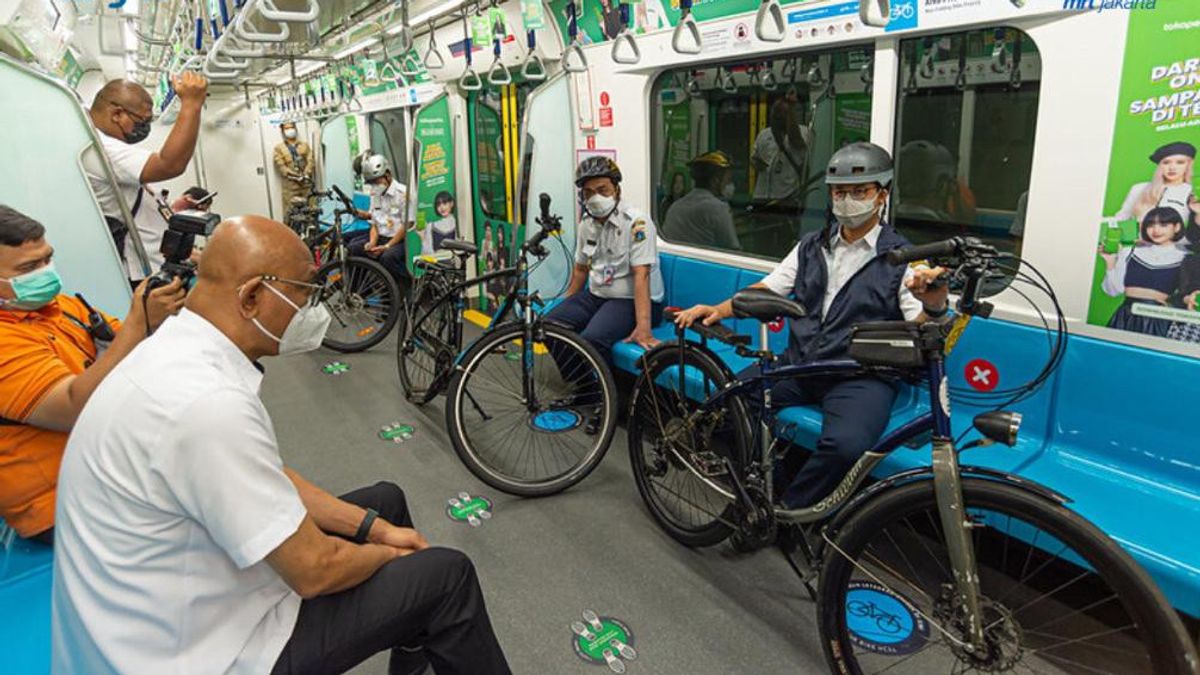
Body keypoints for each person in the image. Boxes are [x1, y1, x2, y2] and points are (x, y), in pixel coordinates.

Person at [52, 215, 510, 675]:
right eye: (304, 292)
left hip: (165, 604)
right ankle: (425, 614)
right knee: (447, 576)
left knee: (384, 504)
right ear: (252, 296)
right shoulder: (206, 404)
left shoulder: (173, 348)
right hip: (192, 654)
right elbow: (315, 570)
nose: (312, 310)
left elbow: (267, 475)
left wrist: (377, 531)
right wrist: (393, 555)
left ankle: (416, 635)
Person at [674, 143, 949, 512]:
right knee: (731, 399)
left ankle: (791, 509)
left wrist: (933, 305)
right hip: (800, 362)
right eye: (839, 192)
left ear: (881, 195)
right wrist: (719, 309)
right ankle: (760, 484)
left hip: (860, 375)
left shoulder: (904, 259)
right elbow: (768, 289)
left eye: (859, 191)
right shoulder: (809, 247)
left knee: (846, 445)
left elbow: (921, 328)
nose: (847, 200)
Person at [0, 205, 184, 545]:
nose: (45, 272)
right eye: (29, 268)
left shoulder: (61, 308)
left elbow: (129, 346)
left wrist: (162, 313)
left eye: (47, 259)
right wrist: (139, 323)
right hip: (63, 499)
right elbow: (73, 407)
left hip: (114, 465)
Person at [84, 74, 208, 285]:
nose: (145, 128)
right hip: (143, 272)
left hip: (156, 261)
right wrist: (191, 103)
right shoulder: (101, 148)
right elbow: (170, 164)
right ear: (117, 114)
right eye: (141, 121)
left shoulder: (103, 142)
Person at [545, 156, 664, 364]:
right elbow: (581, 269)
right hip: (598, 295)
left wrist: (643, 328)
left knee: (591, 340)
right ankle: (582, 383)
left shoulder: (637, 222)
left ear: (616, 190)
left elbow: (641, 275)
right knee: (549, 326)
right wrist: (568, 303)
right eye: (589, 193)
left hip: (632, 300)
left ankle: (595, 393)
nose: (596, 198)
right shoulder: (586, 224)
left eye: (603, 190)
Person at [1100, 207, 1187, 337]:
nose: (1156, 230)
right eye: (1151, 225)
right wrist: (1110, 262)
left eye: (1163, 225)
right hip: (1125, 316)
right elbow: (1114, 291)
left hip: (1159, 320)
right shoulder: (1130, 251)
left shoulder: (1185, 258)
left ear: (1177, 227)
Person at [349, 154, 416, 287]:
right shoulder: (376, 194)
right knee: (354, 249)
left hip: (401, 240)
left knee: (388, 258)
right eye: (371, 182)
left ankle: (408, 288)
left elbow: (406, 225)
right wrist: (372, 243)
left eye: (377, 181)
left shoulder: (403, 194)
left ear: (388, 175)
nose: (375, 185)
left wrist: (387, 246)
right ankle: (360, 293)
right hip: (382, 237)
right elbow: (375, 222)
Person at [663, 151, 740, 250]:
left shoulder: (676, 206)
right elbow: (733, 250)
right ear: (715, 181)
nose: (729, 185)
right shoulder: (718, 208)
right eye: (728, 180)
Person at [1113, 142, 1198, 227]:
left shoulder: (1193, 192)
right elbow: (1121, 218)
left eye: (1180, 162)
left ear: (1188, 165)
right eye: (1166, 162)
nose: (1172, 168)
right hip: (1139, 239)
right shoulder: (1139, 188)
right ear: (1160, 166)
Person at [751, 94, 811, 204]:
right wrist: (758, 163)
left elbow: (800, 147)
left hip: (787, 195)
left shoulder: (804, 132)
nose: (779, 116)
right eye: (776, 112)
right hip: (762, 195)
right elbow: (754, 159)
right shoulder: (764, 135)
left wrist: (790, 123)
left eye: (783, 112)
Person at [273, 122, 315, 213]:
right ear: (283, 131)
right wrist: (295, 176)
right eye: (287, 129)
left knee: (310, 209)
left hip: (306, 183)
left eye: (291, 127)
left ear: (295, 129)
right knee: (290, 212)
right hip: (290, 185)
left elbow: (311, 160)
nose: (290, 130)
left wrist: (306, 174)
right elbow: (281, 166)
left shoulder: (304, 145)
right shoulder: (279, 148)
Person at [420, 191, 458, 255]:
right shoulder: (431, 226)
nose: (442, 207)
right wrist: (423, 237)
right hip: (438, 263)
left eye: (444, 203)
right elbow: (428, 255)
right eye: (438, 204)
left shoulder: (459, 224)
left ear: (451, 203)